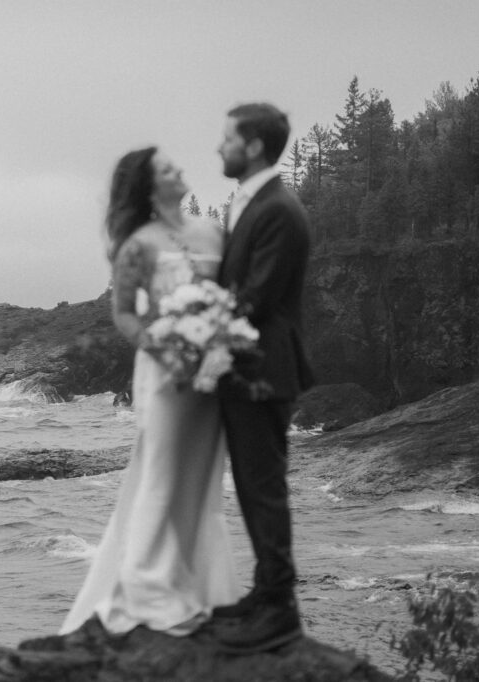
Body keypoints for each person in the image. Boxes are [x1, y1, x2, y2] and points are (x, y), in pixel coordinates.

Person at [59, 146, 240, 638]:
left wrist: (221, 339)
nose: (179, 169)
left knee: (203, 477)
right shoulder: (138, 244)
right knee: (160, 470)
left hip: (210, 369)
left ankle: (198, 585)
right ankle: (147, 589)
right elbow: (124, 312)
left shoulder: (211, 233)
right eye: (166, 169)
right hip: (162, 370)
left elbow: (229, 295)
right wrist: (163, 345)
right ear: (149, 187)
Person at [210, 102, 315, 653]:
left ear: (251, 146)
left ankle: (280, 611)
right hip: (250, 368)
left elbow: (257, 296)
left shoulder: (278, 208)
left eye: (227, 139)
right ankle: (265, 592)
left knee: (264, 487)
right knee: (253, 488)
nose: (218, 148)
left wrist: (198, 330)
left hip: (263, 369)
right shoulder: (255, 202)